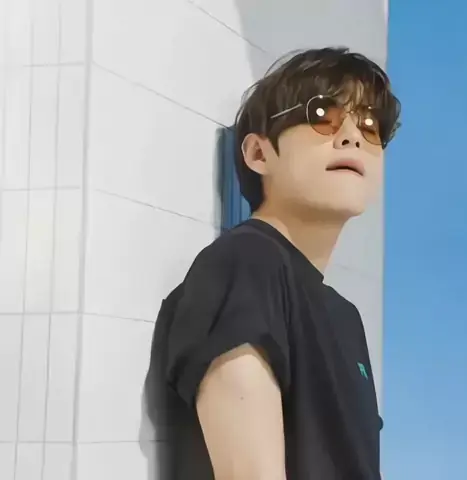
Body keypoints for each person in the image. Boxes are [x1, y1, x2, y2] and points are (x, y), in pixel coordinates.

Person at [144, 46, 401, 480]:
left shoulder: (345, 316)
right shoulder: (244, 265)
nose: (353, 136)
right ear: (259, 154)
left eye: (370, 125)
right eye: (322, 115)